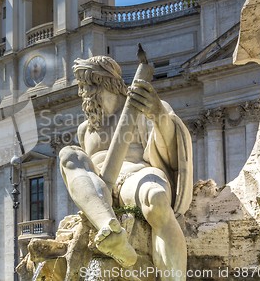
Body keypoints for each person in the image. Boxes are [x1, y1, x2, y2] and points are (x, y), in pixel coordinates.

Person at [59, 55, 193, 280]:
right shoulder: (86, 129)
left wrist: (158, 114)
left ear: (106, 82)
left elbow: (170, 155)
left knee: (158, 198)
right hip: (99, 188)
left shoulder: (141, 107)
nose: (83, 93)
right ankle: (112, 233)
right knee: (68, 154)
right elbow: (84, 174)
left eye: (87, 84)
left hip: (137, 176)